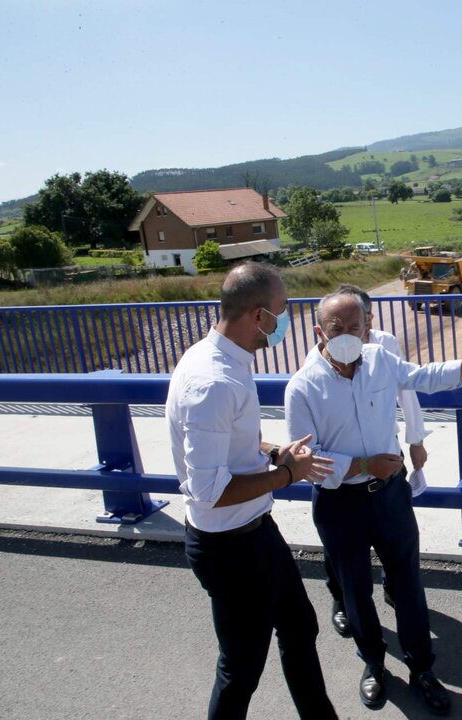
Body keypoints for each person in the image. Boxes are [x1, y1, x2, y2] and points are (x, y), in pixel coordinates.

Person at [283, 292, 462, 715]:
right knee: (356, 591)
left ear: (368, 328)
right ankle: (374, 664)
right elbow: (306, 463)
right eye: (336, 329)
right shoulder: (303, 387)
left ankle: (422, 669)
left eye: (354, 327)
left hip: (390, 497)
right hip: (339, 505)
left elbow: (422, 376)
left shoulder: (381, 360)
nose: (346, 336)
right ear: (318, 332)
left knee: (407, 585)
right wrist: (363, 464)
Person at [166, 261, 338, 720]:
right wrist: (289, 475)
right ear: (259, 316)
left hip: (254, 534)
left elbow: (229, 443)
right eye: (281, 311)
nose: (285, 321)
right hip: (230, 548)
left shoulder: (221, 359)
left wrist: (273, 450)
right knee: (240, 668)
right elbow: (208, 489)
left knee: (300, 626)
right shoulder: (214, 382)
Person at [308, 285, 432, 639]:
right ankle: (342, 601)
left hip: (386, 459)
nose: (350, 330)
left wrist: (416, 440)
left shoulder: (384, 345)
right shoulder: (319, 355)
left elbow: (406, 389)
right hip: (344, 478)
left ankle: (396, 592)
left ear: (368, 321)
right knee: (345, 559)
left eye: (358, 321)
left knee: (398, 547)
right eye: (340, 324)